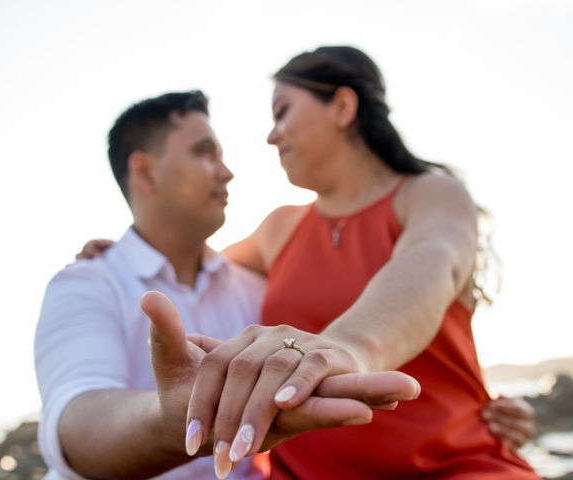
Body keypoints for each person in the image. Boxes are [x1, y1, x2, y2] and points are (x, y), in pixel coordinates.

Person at [175, 46, 540, 478]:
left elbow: (430, 265)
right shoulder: (279, 228)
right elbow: (191, 263)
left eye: (283, 112)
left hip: (454, 466)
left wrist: (346, 349)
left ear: (343, 107)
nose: (271, 136)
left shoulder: (430, 194)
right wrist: (116, 253)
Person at [34, 91, 422, 480]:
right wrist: (172, 423)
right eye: (205, 153)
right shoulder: (85, 284)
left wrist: (480, 407)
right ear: (146, 171)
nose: (227, 172)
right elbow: (76, 420)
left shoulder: (258, 287)